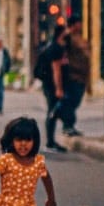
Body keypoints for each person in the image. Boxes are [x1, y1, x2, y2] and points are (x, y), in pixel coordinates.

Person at [36, 25, 70, 153]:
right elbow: (56, 70)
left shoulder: (55, 47)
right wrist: (59, 88)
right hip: (52, 86)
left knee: (55, 111)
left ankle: (52, 140)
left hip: (50, 85)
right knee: (53, 112)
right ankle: (50, 141)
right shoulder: (55, 49)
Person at [53, 15, 88, 137]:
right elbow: (59, 46)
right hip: (73, 75)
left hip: (82, 76)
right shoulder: (68, 37)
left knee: (76, 101)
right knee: (71, 102)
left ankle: (68, 123)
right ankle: (67, 124)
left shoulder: (79, 37)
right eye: (79, 23)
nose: (81, 25)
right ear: (74, 24)